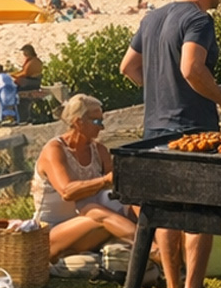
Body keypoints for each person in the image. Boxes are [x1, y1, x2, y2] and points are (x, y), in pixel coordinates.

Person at [120, 0, 221, 288]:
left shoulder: (153, 18)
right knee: (200, 209)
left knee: (164, 211)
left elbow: (128, 67)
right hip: (194, 130)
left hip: (154, 131)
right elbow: (192, 68)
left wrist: (160, 88)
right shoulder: (199, 20)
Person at [32, 95, 140, 259]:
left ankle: (165, 250)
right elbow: (68, 192)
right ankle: (154, 253)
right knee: (97, 213)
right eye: (96, 121)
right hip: (52, 232)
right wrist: (105, 181)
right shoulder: (55, 150)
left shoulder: (99, 150)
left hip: (89, 225)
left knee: (133, 206)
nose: (102, 127)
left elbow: (119, 185)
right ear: (78, 122)